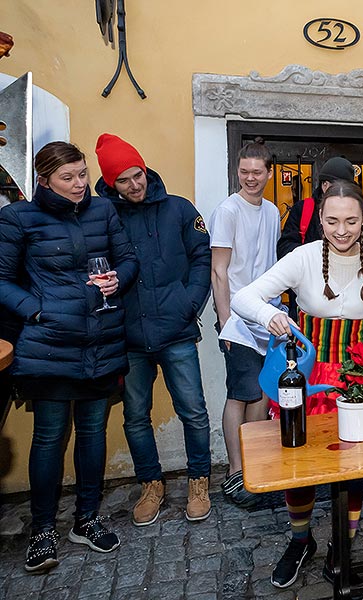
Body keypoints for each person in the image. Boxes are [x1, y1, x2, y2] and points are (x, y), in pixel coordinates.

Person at [231, 180, 363, 588]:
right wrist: (267, 316)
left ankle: (345, 545)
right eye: (333, 220)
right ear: (320, 218)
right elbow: (243, 298)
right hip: (306, 381)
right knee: (298, 466)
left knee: (357, 468)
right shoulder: (302, 258)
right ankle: (301, 540)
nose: (342, 230)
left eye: (351, 220)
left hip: (361, 380)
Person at [0, 141, 138, 572]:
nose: (79, 185)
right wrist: (38, 310)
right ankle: (42, 530)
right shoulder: (18, 218)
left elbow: (128, 258)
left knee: (93, 433)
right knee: (49, 438)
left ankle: (87, 518)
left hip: (101, 340)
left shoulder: (103, 211)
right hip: (48, 346)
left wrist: (119, 279)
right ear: (44, 179)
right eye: (68, 178)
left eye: (82, 175)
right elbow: (2, 281)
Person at [94, 133, 213, 526]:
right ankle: (151, 484)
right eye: (124, 180)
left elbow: (201, 257)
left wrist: (190, 302)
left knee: (193, 411)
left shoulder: (179, 209)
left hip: (176, 330)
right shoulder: (101, 216)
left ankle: (199, 479)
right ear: (111, 183)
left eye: (138, 174)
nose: (135, 184)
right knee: (135, 415)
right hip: (129, 336)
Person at [209, 138, 280, 509]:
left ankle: (254, 465)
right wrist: (226, 323)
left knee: (263, 391)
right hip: (236, 319)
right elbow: (219, 270)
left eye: (257, 172)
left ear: (268, 173)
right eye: (244, 172)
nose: (250, 178)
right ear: (237, 171)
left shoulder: (271, 211)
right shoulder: (228, 211)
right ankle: (235, 472)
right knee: (241, 392)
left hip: (264, 317)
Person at [277, 156, 363, 260]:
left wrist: (350, 256)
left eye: (351, 222)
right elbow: (285, 248)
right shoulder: (302, 209)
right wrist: (318, 258)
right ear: (324, 185)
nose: (341, 231)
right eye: (332, 222)